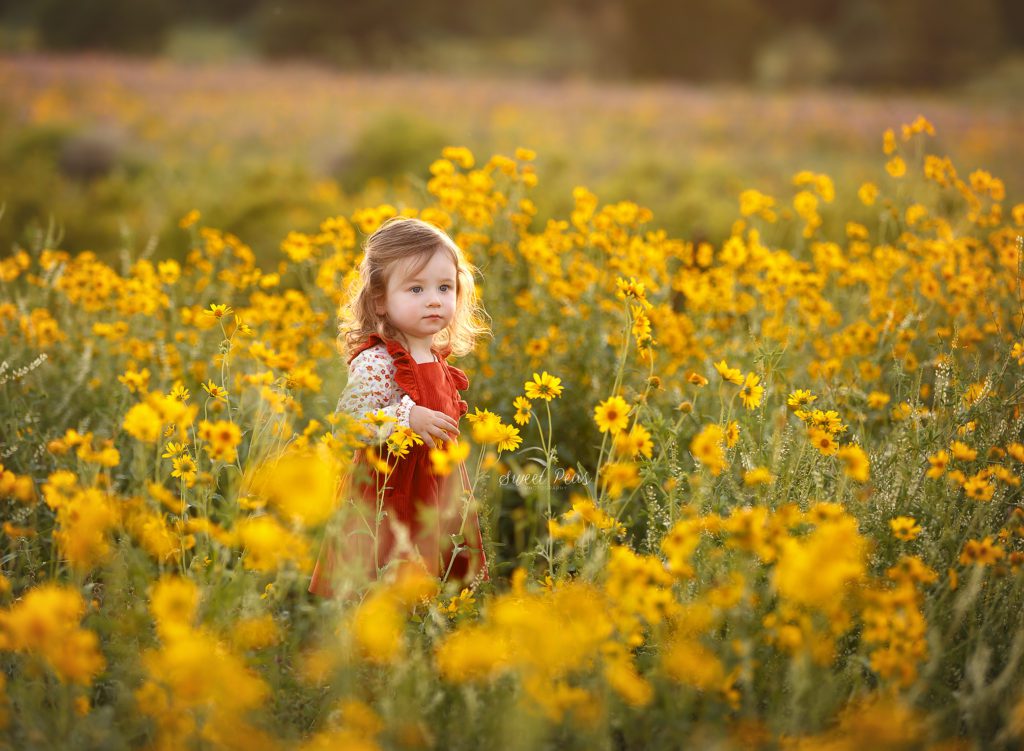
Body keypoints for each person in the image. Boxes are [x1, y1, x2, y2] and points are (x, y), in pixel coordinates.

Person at [309, 215, 492, 599]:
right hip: (390, 496)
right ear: (380, 299)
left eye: (445, 287)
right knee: (387, 584)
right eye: (416, 288)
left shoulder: (436, 357)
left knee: (440, 585)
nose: (434, 299)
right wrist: (405, 417)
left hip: (437, 489)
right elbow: (348, 425)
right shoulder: (378, 361)